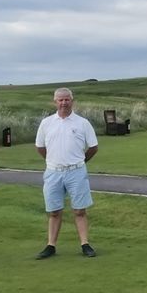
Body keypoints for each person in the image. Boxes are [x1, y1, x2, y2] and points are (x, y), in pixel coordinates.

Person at [34, 88, 99, 259]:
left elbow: (93, 147)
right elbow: (40, 147)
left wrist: (81, 161)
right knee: (54, 211)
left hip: (76, 171)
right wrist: (52, 161)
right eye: (60, 100)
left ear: (72, 101)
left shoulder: (82, 123)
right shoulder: (46, 123)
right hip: (53, 172)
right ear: (55, 102)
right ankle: (51, 245)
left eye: (67, 99)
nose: (64, 103)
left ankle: (85, 244)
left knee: (79, 210)